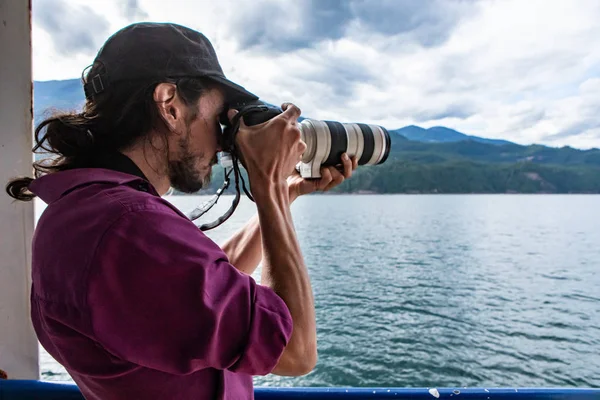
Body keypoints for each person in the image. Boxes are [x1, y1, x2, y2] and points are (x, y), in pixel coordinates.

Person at [5, 22, 357, 400]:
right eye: (219, 116)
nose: (224, 140)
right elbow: (294, 351)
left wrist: (285, 193)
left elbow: (213, 283)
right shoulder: (125, 228)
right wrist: (267, 185)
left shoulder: (89, 210)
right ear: (170, 105)